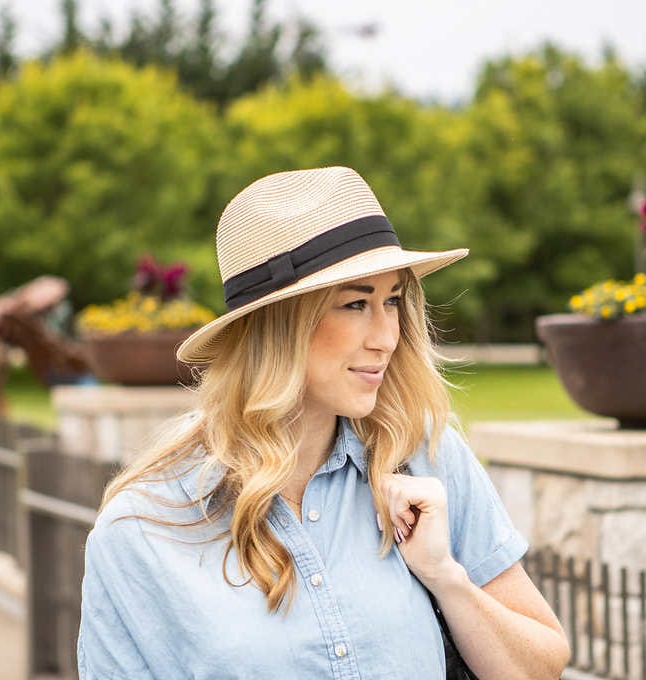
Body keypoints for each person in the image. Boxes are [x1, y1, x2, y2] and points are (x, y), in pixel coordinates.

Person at [78, 166, 570, 679]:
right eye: (355, 304)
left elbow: (543, 668)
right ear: (277, 325)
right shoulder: (142, 529)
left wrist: (446, 578)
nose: (386, 336)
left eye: (392, 301)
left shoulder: (427, 458)